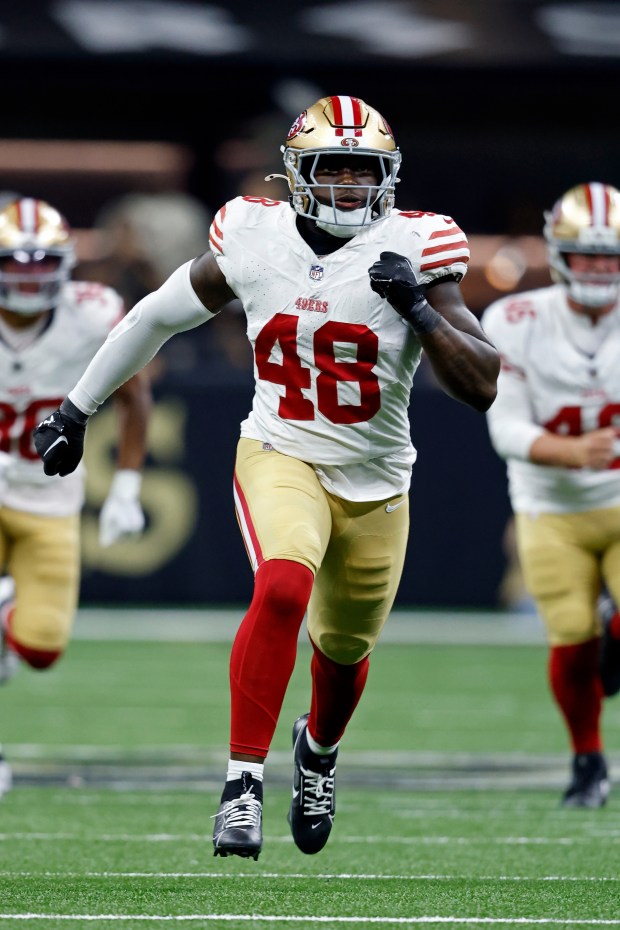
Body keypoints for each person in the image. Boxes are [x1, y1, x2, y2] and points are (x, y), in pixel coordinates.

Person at [32, 95, 499, 857]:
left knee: (344, 650)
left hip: (377, 476)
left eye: (363, 170)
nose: (348, 184)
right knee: (282, 586)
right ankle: (241, 786)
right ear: (296, 174)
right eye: (332, 168)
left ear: (388, 177)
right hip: (280, 450)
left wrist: (419, 308)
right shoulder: (254, 236)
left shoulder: (419, 245)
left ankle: (317, 752)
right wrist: (75, 411)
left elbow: (481, 384)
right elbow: (154, 317)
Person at [0, 196, 151, 797]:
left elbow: (136, 394)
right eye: (16, 263)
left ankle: (8, 618)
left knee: (41, 648)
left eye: (42, 263)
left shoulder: (92, 314)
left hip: (49, 497)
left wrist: (128, 485)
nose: (29, 277)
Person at [482, 181, 620, 809]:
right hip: (552, 506)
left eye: (608, 255)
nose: (597, 267)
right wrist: (573, 451)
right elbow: (505, 429)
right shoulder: (515, 320)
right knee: (570, 637)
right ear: (559, 252)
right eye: (586, 253)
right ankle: (587, 761)